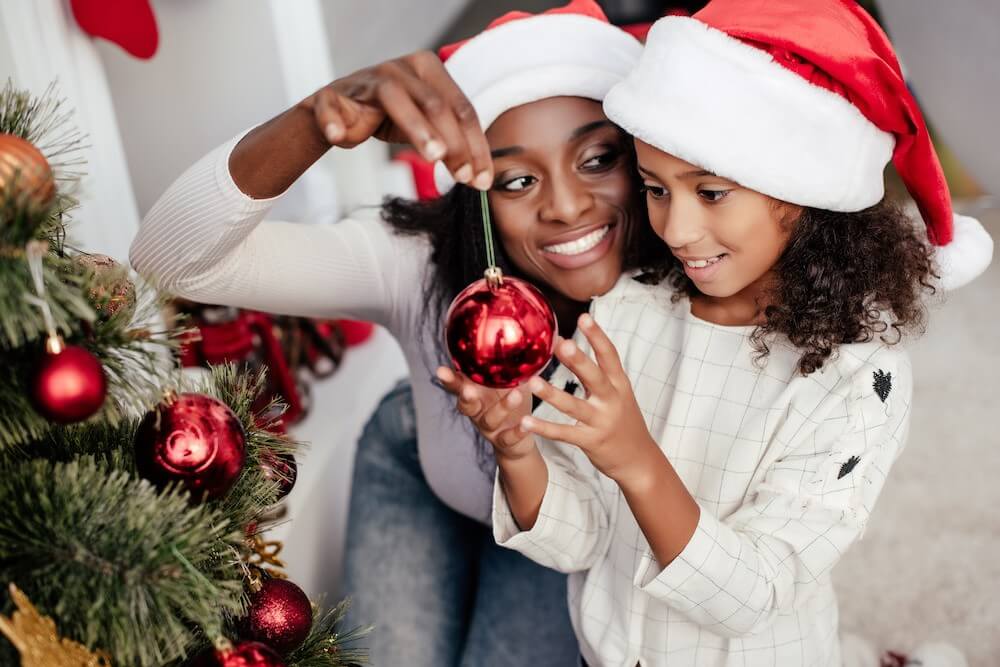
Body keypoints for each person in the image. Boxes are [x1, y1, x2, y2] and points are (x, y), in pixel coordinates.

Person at [439, 1, 992, 665]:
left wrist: (637, 459)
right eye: (655, 189)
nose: (675, 230)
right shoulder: (626, 310)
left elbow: (755, 593)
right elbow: (581, 540)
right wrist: (517, 452)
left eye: (710, 192)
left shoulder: (856, 380)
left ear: (800, 188)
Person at [128, 2, 663, 664]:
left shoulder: (694, 286)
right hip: (426, 466)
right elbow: (169, 259)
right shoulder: (419, 261)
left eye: (598, 159)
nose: (566, 204)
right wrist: (314, 120)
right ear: (476, 194)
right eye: (518, 180)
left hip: (572, 538)